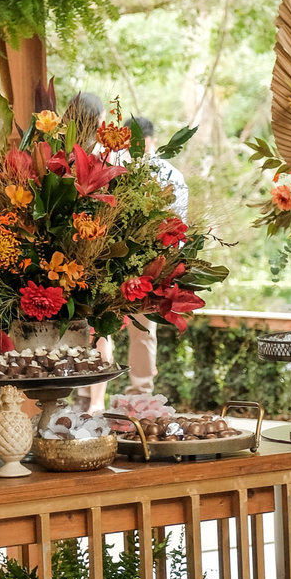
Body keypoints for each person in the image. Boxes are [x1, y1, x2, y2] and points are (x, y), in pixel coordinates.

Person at [124, 116, 188, 394]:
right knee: (105, 329)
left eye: (139, 141)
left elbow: (178, 226)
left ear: (150, 141)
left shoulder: (170, 176)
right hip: (124, 259)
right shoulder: (116, 169)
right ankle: (93, 394)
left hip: (149, 262)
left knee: (143, 328)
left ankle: (139, 392)